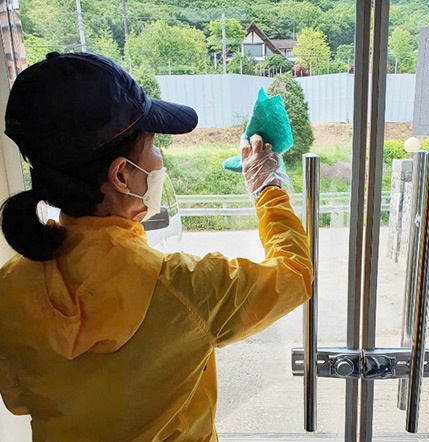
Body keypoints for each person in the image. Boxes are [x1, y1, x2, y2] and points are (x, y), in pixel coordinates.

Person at [0, 52, 312, 441]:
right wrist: (268, 189)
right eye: (154, 146)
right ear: (121, 175)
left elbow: (17, 399)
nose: (159, 159)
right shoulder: (185, 288)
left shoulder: (9, 288)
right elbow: (294, 274)